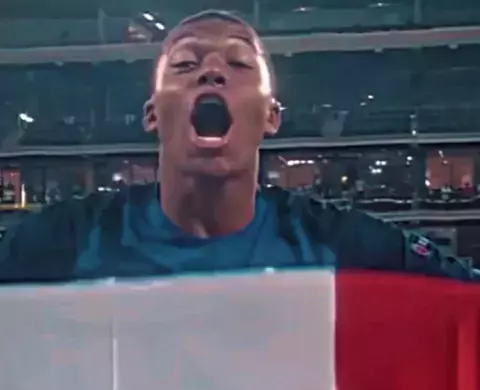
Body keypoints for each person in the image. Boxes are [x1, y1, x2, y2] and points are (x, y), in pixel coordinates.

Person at [0, 10, 476, 282]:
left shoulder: (336, 242)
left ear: (271, 116)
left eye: (240, 63)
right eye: (185, 64)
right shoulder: (66, 240)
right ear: (152, 114)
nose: (212, 70)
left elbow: (461, 302)